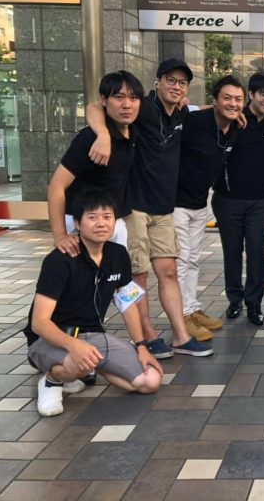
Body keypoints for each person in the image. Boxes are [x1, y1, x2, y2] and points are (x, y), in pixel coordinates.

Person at [86, 58, 212, 359]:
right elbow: (93, 107)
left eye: (182, 83)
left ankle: (181, 336)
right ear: (158, 82)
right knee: (138, 274)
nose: (176, 86)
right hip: (134, 206)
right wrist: (102, 135)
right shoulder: (143, 107)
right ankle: (145, 336)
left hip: (164, 207)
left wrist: (233, 111)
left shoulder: (181, 113)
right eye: (171, 80)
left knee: (169, 272)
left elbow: (207, 110)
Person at [25, 193, 163, 417]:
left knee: (150, 381)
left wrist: (141, 346)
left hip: (94, 336)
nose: (101, 223)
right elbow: (39, 323)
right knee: (78, 363)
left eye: (107, 217)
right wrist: (74, 346)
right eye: (92, 217)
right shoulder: (58, 260)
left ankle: (86, 367)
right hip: (48, 339)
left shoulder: (118, 254)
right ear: (77, 223)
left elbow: (127, 303)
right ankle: (52, 380)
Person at [173, 75, 244, 340]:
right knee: (181, 260)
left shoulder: (234, 127)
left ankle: (192, 308)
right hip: (175, 203)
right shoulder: (194, 120)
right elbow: (182, 111)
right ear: (215, 99)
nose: (233, 104)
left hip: (199, 202)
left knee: (192, 258)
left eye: (238, 99)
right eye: (227, 98)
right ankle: (181, 317)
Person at [212, 71, 264, 326]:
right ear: (250, 94)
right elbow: (205, 114)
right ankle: (235, 300)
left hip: (258, 202)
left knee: (256, 252)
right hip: (227, 199)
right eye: (263, 94)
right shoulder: (233, 118)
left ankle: (254, 304)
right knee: (232, 251)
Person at [47, 71, 142, 254]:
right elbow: (56, 186)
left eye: (133, 98)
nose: (127, 104)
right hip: (83, 223)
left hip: (113, 221)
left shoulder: (133, 131)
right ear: (104, 100)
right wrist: (60, 235)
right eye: (119, 97)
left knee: (115, 270)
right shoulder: (89, 138)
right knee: (82, 272)